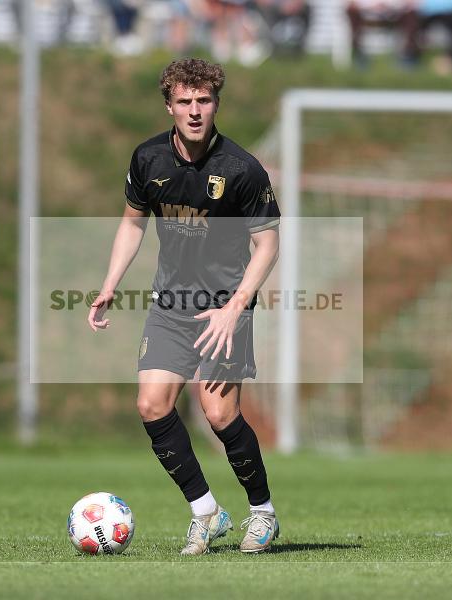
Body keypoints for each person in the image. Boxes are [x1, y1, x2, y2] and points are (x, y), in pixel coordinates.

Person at [87, 58, 281, 555]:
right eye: (184, 101)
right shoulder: (147, 159)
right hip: (170, 304)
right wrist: (110, 283)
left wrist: (236, 307)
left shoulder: (241, 169)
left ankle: (263, 513)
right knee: (152, 405)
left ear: (216, 104)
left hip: (224, 308)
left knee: (219, 414)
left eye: (204, 101)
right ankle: (206, 512)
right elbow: (133, 223)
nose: (195, 110)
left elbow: (268, 245)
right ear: (169, 106)